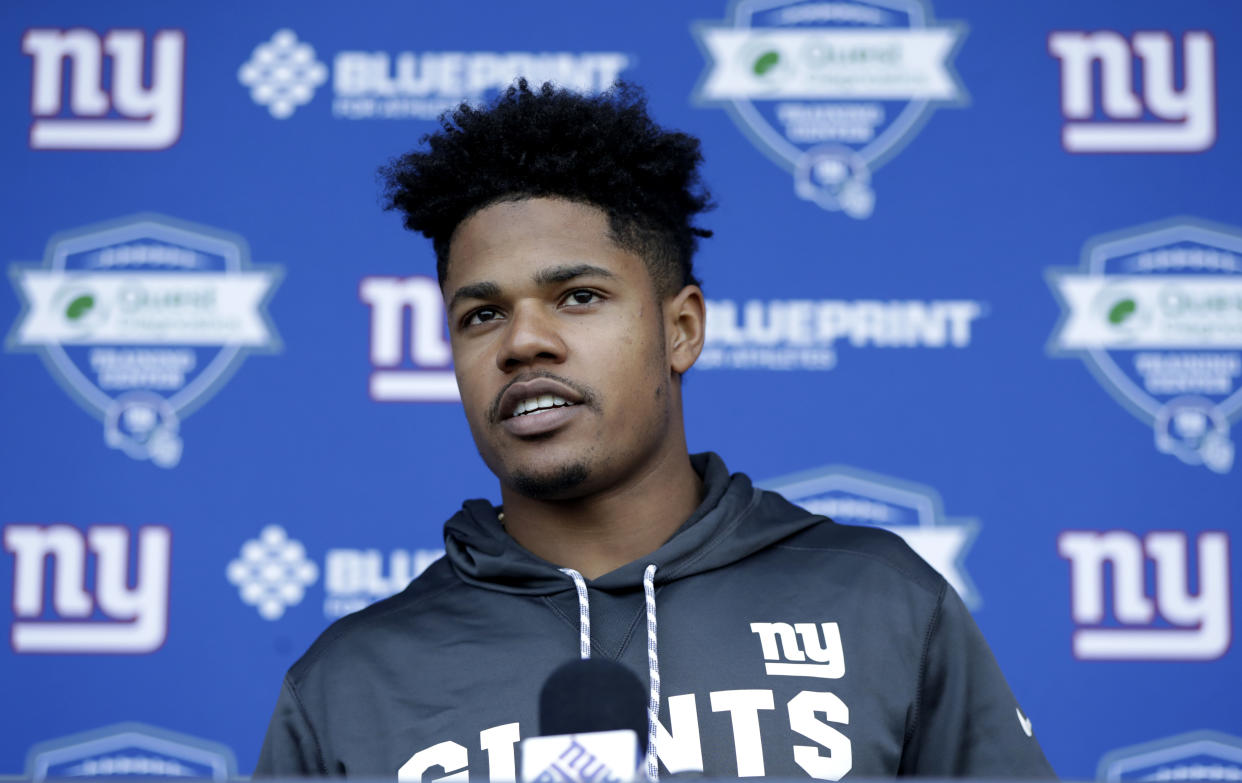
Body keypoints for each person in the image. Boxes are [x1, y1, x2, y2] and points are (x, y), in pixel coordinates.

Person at [255, 80, 1055, 780]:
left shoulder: (881, 600)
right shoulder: (351, 680)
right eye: (482, 313)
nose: (522, 341)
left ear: (682, 328)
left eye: (577, 297)